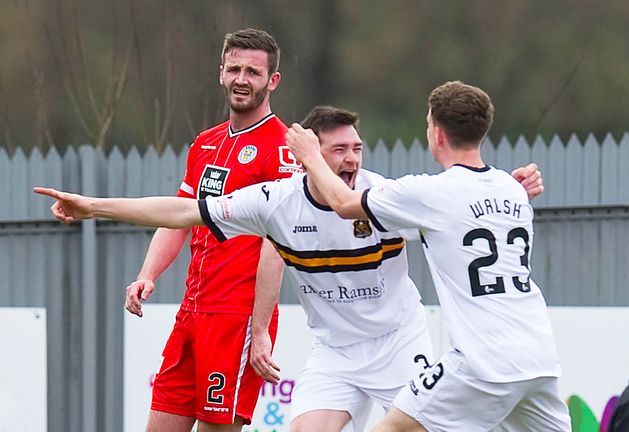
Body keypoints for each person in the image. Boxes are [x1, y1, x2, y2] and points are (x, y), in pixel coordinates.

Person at [34, 104, 544, 432]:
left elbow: (455, 206)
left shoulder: (382, 197)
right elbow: (179, 211)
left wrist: (504, 188)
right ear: (307, 157)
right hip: (335, 352)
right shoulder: (275, 202)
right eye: (338, 149)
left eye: (357, 148)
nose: (351, 159)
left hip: (398, 344)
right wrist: (93, 206)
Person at [285, 81, 572, 431]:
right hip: (539, 358)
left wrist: (311, 157)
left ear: (437, 134)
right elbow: (471, 210)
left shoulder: (431, 193)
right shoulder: (509, 189)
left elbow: (345, 204)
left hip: (482, 362)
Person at [124, 28, 300, 432]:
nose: (242, 79)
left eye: (253, 72)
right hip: (192, 313)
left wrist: (259, 330)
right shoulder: (205, 142)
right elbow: (179, 218)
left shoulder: (283, 147)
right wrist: (147, 275)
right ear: (220, 72)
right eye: (234, 68)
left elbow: (279, 246)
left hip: (235, 319)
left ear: (272, 81)